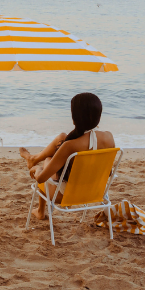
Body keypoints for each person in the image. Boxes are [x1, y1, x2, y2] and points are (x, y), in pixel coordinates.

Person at [19, 92, 115, 220]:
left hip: (66, 196)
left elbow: (41, 178)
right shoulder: (109, 137)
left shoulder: (70, 146)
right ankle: (33, 159)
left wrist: (38, 169)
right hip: (95, 192)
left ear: (75, 117)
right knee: (61, 137)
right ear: (99, 115)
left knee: (48, 159)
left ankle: (40, 211)